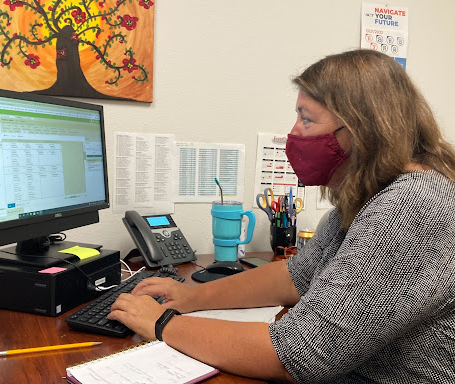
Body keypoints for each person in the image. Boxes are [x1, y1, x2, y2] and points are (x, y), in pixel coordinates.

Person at [108, 49, 455, 383]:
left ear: (361, 130)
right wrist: (190, 297)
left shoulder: (412, 205)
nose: (294, 131)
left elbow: (299, 354)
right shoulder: (364, 199)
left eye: (306, 118)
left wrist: (162, 324)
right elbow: (294, 277)